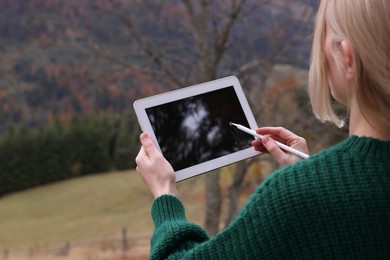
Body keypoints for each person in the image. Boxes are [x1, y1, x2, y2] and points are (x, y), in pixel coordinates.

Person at [135, 0, 390, 258]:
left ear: (347, 58)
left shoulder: (295, 195)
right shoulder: (314, 192)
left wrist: (164, 193)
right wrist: (318, 181)